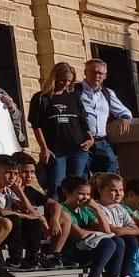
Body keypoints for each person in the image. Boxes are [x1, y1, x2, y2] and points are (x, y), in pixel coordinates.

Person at [28, 62, 93, 193]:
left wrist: (90, 137)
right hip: (56, 150)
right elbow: (36, 125)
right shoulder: (41, 98)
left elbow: (82, 120)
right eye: (63, 80)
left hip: (78, 148)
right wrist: (44, 148)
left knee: (77, 187)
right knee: (56, 187)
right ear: (55, 78)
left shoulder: (74, 97)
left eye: (69, 81)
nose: (66, 84)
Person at [0, 154, 48, 271]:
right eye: (8, 173)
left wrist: (19, 190)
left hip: (9, 229)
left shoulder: (8, 190)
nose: (12, 177)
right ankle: (14, 259)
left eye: (15, 174)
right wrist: (26, 215)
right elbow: (0, 211)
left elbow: (29, 210)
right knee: (15, 218)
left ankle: (32, 259)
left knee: (34, 222)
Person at [59, 176, 125, 277]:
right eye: (81, 194)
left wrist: (97, 209)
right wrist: (98, 233)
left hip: (86, 248)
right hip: (70, 251)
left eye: (88, 194)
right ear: (67, 192)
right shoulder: (63, 210)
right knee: (107, 242)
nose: (86, 198)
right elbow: (80, 234)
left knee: (118, 241)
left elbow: (106, 230)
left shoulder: (85, 209)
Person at [75, 59, 134, 175]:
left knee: (110, 173)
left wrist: (125, 118)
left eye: (100, 73)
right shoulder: (75, 91)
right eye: (93, 72)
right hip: (82, 141)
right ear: (85, 72)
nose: (96, 76)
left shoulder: (107, 93)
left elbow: (124, 111)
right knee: (82, 177)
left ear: (105, 76)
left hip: (102, 142)